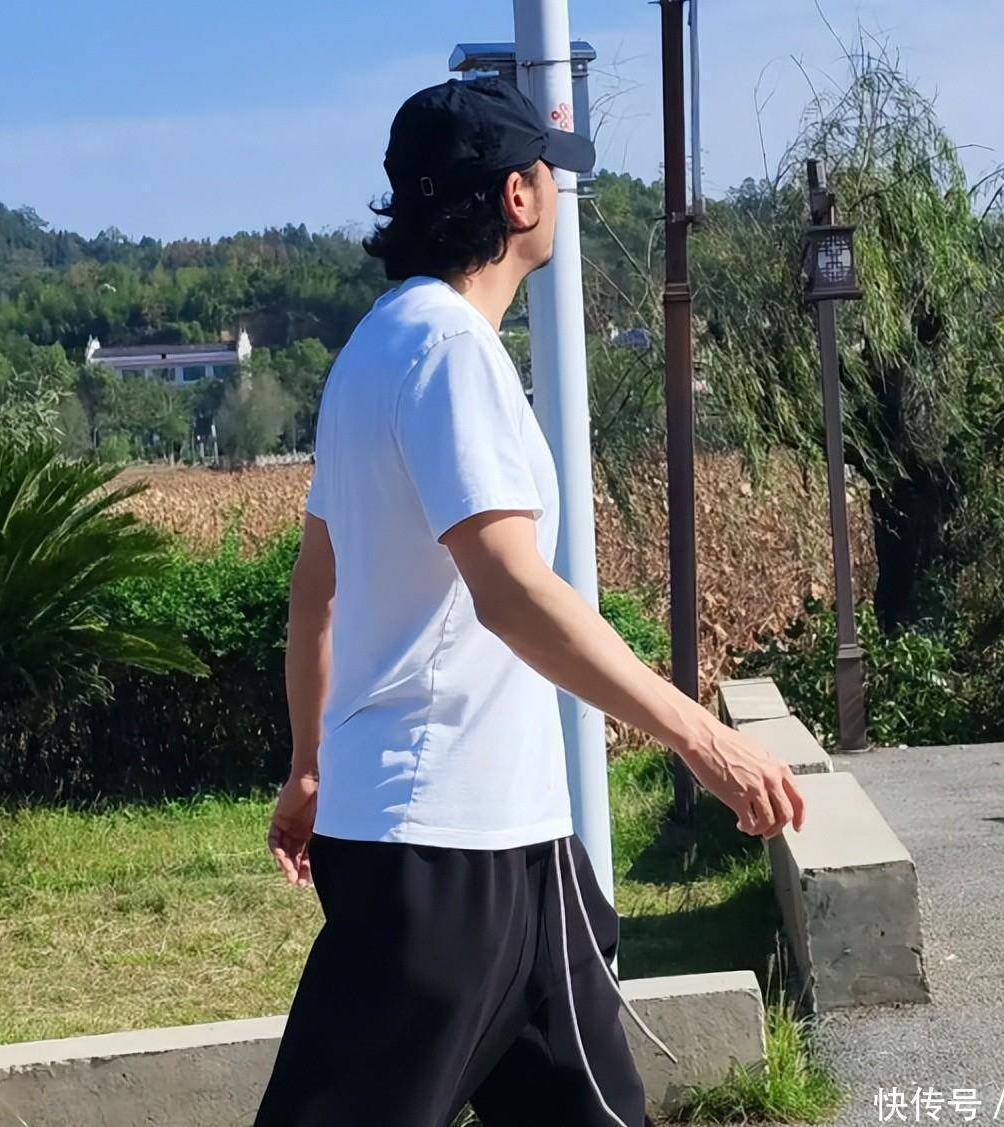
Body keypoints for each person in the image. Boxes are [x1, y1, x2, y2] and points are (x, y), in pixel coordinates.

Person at [254, 77, 804, 1127]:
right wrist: (703, 739)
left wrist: (311, 763)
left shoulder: (371, 351)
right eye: (552, 175)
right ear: (517, 197)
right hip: (451, 855)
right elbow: (509, 591)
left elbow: (315, 592)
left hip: (501, 846)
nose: (558, 193)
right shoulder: (451, 354)